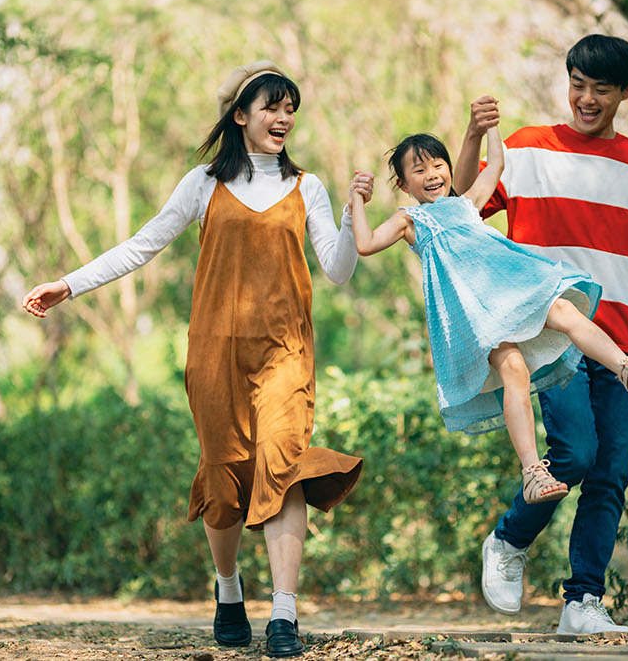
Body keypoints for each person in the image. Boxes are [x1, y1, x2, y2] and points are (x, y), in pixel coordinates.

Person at [21, 60, 368, 658]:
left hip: (285, 352)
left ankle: (283, 615)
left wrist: (347, 216)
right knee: (224, 477)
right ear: (240, 115)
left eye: (291, 108)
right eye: (272, 106)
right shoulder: (203, 183)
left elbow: (336, 269)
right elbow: (142, 244)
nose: (284, 117)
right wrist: (69, 285)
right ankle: (228, 589)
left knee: (283, 463)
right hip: (215, 354)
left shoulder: (307, 186)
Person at [455, 35, 628, 635]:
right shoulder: (524, 149)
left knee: (610, 474)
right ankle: (509, 538)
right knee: (575, 452)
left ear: (626, 92)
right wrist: (471, 137)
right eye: (577, 84)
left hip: (625, 342)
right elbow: (462, 203)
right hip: (552, 335)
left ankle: (583, 602)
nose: (586, 98)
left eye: (600, 88)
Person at [348, 122, 628, 509]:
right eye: (418, 171)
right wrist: (356, 201)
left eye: (437, 165)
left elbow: (496, 164)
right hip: (478, 311)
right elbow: (365, 245)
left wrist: (491, 128)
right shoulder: (410, 221)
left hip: (514, 287)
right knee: (514, 369)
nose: (432, 175)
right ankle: (533, 471)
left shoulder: (466, 203)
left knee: (566, 310)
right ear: (403, 184)